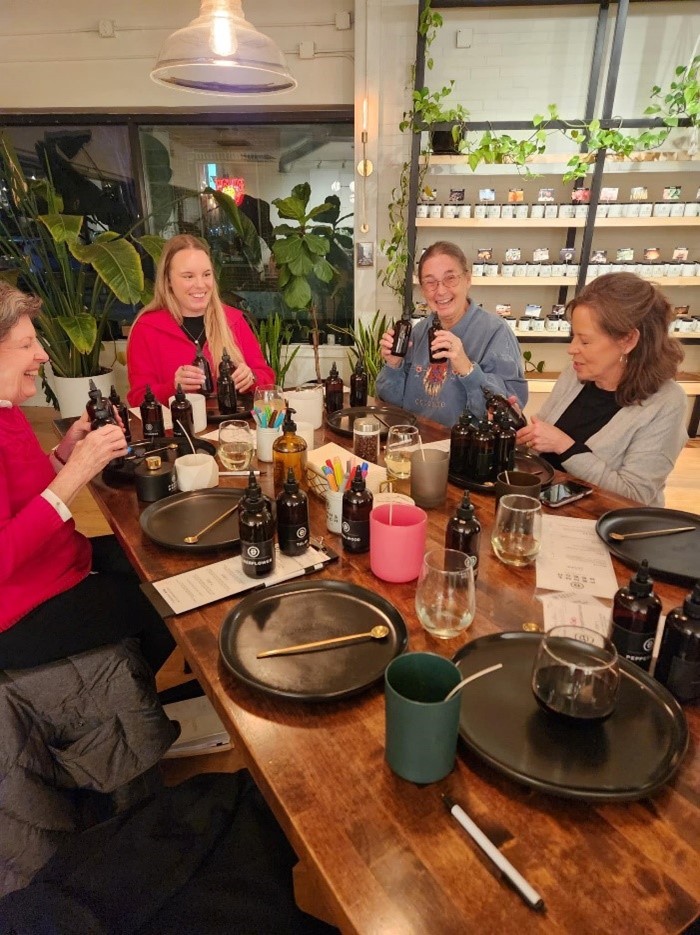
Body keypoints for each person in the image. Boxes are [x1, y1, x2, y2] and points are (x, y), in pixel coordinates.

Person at [0, 281, 175, 671]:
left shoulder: (7, 409)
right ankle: (120, 696)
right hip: (17, 609)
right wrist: (78, 471)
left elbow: (23, 490)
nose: (42, 354)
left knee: (157, 556)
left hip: (59, 559)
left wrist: (67, 451)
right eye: (26, 344)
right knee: (164, 604)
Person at [516, 273, 687, 506]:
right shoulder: (577, 374)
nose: (572, 349)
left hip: (607, 520)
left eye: (585, 341)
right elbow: (541, 446)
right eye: (573, 336)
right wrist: (515, 428)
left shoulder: (666, 402)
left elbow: (635, 496)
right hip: (551, 506)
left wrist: (565, 447)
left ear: (628, 340)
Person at [376, 241, 527, 427]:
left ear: (468, 279)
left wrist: (466, 368)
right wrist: (394, 364)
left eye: (450, 278)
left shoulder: (495, 332)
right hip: (416, 438)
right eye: (430, 282)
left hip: (464, 442)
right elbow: (393, 403)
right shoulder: (419, 332)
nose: (440, 291)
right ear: (422, 290)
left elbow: (506, 416)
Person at [126, 234, 275, 406]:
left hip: (233, 422)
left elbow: (267, 377)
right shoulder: (146, 328)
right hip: (179, 423)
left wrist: (251, 377)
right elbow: (137, 399)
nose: (200, 284)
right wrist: (172, 388)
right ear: (168, 280)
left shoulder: (234, 320)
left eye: (206, 274)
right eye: (188, 276)